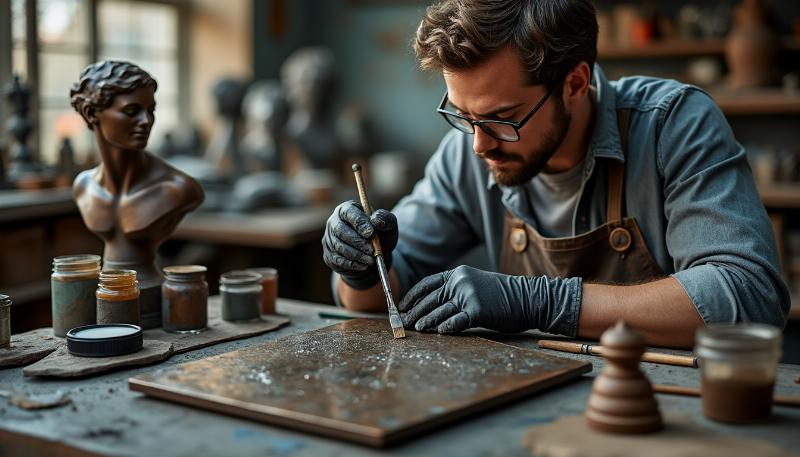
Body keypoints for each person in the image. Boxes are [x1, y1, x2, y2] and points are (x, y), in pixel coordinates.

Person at [321, 0, 789, 348]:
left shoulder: (673, 124)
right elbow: (376, 298)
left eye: (503, 118)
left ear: (574, 84)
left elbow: (749, 298)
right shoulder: (465, 153)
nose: (480, 143)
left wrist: (540, 302)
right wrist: (362, 271)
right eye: (463, 115)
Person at [71, 60, 204, 327]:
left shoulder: (177, 189)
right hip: (106, 298)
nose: (146, 121)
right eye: (132, 111)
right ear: (90, 113)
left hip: (154, 298)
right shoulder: (83, 186)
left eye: (150, 110)